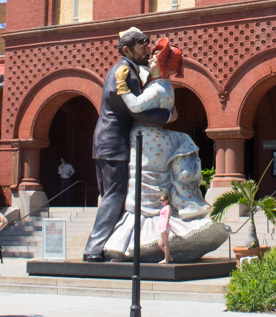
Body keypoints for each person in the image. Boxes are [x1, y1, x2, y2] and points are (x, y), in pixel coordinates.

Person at [101, 39, 228, 261]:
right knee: (147, 188)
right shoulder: (161, 85)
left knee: (142, 190)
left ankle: (132, 244)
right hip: (151, 139)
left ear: (160, 66)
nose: (149, 59)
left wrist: (122, 86)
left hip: (147, 141)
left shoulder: (159, 87)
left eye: (153, 58)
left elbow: (136, 106)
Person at [82, 27, 172, 262]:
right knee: (114, 195)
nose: (147, 51)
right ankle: (93, 248)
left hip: (108, 143)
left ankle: (110, 246)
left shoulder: (131, 70)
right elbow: (136, 111)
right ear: (126, 50)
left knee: (114, 195)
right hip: (113, 144)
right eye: (142, 47)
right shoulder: (124, 72)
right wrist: (168, 115)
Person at [156, 192, 174, 264]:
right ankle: (169, 256)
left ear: (167, 200)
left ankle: (166, 259)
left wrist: (165, 227)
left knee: (165, 244)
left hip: (165, 226)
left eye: (163, 200)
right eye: (160, 200)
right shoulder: (164, 207)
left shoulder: (168, 207)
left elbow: (167, 217)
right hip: (162, 226)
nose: (161, 202)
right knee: (160, 244)